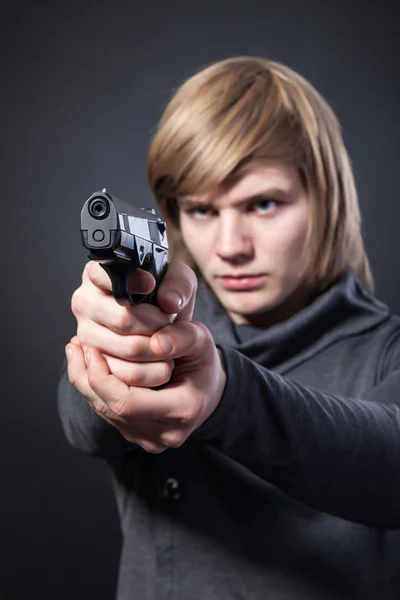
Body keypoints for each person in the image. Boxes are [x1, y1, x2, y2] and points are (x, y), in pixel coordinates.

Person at [58, 56, 400, 600]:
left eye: (263, 204)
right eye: (201, 211)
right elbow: (82, 426)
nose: (230, 248)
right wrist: (110, 343)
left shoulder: (388, 351)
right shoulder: (161, 321)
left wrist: (225, 395)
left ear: (327, 200)